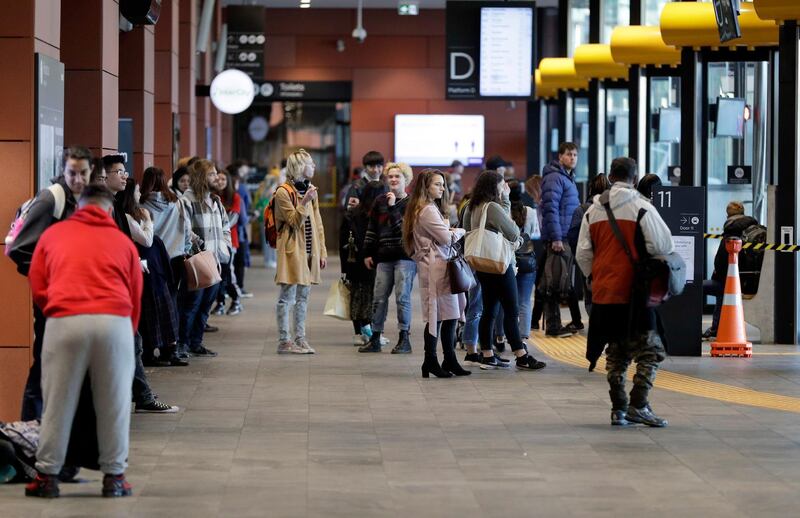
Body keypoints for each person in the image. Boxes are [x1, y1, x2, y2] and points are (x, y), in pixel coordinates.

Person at [25, 184, 141, 498]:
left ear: (80, 207)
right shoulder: (122, 240)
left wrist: (55, 308)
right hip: (114, 321)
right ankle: (114, 478)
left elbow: (37, 282)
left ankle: (47, 478)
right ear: (107, 210)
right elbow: (135, 293)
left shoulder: (54, 235)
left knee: (57, 402)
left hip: (65, 320)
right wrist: (125, 332)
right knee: (114, 404)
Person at [576, 157, 674, 427]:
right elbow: (662, 245)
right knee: (651, 350)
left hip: (604, 292)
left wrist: (596, 277)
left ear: (610, 176)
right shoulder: (642, 207)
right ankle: (639, 404)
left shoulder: (593, 210)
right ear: (634, 177)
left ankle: (618, 407)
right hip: (635, 293)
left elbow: (583, 253)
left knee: (616, 351)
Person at [9, 146, 94, 421]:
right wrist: (51, 283)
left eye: (83, 173)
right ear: (63, 171)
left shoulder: (84, 201)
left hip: (75, 300)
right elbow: (18, 249)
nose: (78, 179)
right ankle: (29, 435)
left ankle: (51, 434)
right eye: (72, 173)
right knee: (44, 369)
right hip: (53, 301)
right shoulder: (51, 199)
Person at [461, 171, 547, 372]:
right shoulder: (492, 207)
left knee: (488, 310)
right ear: (494, 188)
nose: (504, 189)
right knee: (511, 310)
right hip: (499, 264)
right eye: (502, 186)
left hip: (481, 264)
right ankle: (521, 355)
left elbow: (467, 233)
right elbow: (513, 231)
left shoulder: (469, 207)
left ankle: (488, 356)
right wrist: (506, 200)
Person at [402, 169, 468, 378]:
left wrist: (449, 232)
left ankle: (446, 359)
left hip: (438, 265)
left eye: (442, 184)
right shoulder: (428, 210)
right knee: (438, 316)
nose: (442, 188)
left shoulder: (424, 208)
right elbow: (446, 238)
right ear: (426, 187)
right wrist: (460, 231)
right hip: (436, 268)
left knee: (447, 315)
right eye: (437, 184)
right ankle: (432, 360)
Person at [359, 163, 416, 353]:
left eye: (397, 177)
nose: (393, 180)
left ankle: (404, 338)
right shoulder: (379, 201)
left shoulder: (412, 203)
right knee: (379, 298)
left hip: (405, 257)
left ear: (405, 180)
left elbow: (405, 232)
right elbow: (372, 228)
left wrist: (392, 209)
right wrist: (367, 252)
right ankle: (375, 337)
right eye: (390, 176)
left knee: (402, 298)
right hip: (383, 256)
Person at [274, 149, 327, 354]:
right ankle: (284, 340)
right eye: (310, 163)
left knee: (303, 297)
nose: (314, 166)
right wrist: (304, 201)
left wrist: (321, 251)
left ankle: (300, 338)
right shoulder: (283, 192)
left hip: (309, 251)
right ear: (299, 166)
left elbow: (318, 223)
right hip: (291, 249)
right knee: (287, 297)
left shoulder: (311, 189)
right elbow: (294, 221)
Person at [179, 158, 232, 358]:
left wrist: (224, 248)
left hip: (217, 261)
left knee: (205, 307)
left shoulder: (216, 201)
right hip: (199, 262)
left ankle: (196, 343)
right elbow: (185, 229)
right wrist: (200, 246)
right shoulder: (187, 200)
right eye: (211, 174)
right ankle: (182, 344)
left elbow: (225, 227)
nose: (216, 177)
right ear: (201, 177)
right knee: (191, 305)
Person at [540, 142, 582, 337]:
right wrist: (556, 238)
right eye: (569, 154)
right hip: (559, 238)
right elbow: (551, 209)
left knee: (560, 282)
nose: (573, 157)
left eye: (575, 154)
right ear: (560, 157)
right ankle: (553, 327)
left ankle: (555, 325)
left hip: (566, 236)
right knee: (553, 283)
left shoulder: (567, 178)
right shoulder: (556, 178)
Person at [702, 201, 759, 340]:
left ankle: (691, 327)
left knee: (694, 286)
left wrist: (716, 275)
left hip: (731, 283)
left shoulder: (730, 232)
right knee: (721, 291)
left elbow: (721, 263)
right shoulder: (752, 230)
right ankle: (716, 328)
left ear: (727, 214)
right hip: (748, 280)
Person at [341, 181, 387, 348]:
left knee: (357, 296)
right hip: (371, 262)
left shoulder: (352, 213)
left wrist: (344, 268)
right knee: (371, 297)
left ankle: (359, 333)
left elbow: (342, 242)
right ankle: (372, 333)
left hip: (353, 262)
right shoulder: (375, 215)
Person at [568, 174, 611, 316]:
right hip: (610, 259)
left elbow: (573, 237)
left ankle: (596, 326)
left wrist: (579, 257)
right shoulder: (615, 209)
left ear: (590, 189)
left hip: (589, 260)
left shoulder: (581, 210)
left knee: (591, 296)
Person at [212, 170, 243, 316]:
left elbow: (233, 220)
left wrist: (218, 230)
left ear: (228, 181)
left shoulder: (235, 197)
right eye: (218, 179)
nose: (220, 181)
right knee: (217, 274)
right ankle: (220, 302)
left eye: (223, 179)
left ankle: (236, 301)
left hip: (230, 242)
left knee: (228, 273)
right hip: (214, 242)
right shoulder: (212, 196)